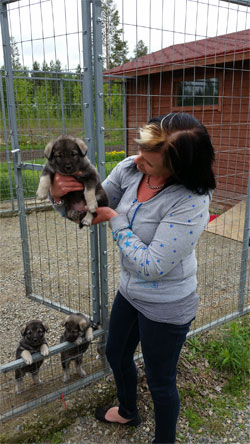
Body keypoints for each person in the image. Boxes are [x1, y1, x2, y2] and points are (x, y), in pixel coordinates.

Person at [50, 112, 216, 444]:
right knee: (116, 353)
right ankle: (128, 411)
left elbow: (151, 266)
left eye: (150, 163)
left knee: (160, 381)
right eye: (139, 151)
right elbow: (87, 211)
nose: (136, 161)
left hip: (168, 305)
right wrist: (61, 196)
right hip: (130, 292)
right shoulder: (130, 168)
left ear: (178, 171)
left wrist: (115, 219)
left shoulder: (191, 201)